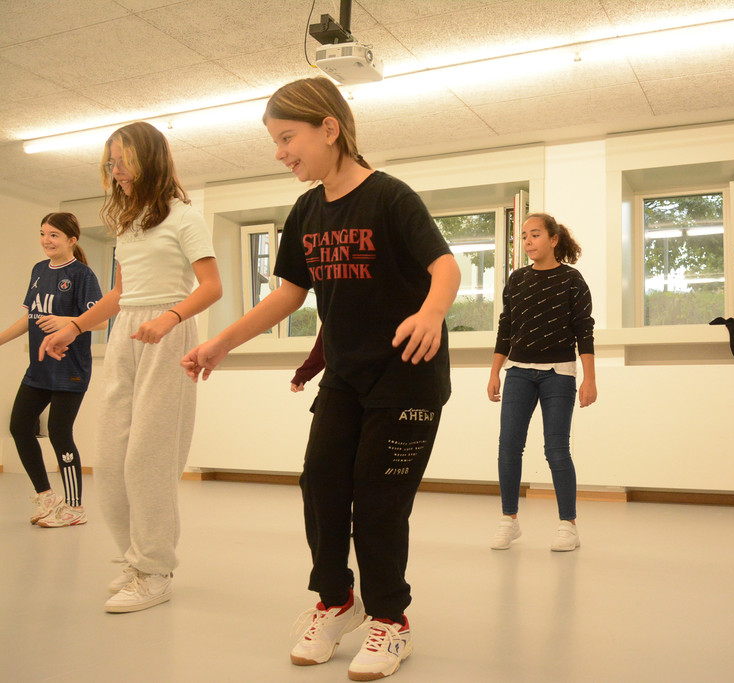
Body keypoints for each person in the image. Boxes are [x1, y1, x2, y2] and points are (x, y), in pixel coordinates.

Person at [181, 76, 460, 681]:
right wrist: (220, 343)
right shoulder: (307, 211)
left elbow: (445, 265)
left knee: (379, 502)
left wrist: (432, 312)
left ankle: (390, 619)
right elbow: (288, 295)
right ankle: (337, 601)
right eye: (275, 141)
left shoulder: (390, 197)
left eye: (287, 138)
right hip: (346, 375)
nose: (280, 152)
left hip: (407, 377)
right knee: (322, 486)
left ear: (329, 129)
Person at [39, 121, 222, 613]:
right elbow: (120, 294)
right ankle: (134, 558)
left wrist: (170, 318)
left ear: (151, 161)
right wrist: (75, 327)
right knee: (112, 455)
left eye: (123, 161)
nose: (116, 170)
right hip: (127, 332)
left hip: (168, 331)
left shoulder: (184, 217)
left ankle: (155, 569)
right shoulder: (128, 222)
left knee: (148, 457)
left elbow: (211, 286)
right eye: (111, 162)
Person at [487, 212, 597, 552]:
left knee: (556, 449)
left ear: (553, 239)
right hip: (518, 372)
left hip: (558, 374)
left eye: (534, 234)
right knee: (508, 447)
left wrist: (589, 379)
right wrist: (494, 372)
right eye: (523, 236)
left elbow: (584, 331)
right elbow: (506, 327)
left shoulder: (572, 280)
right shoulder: (517, 280)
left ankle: (568, 525)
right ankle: (509, 520)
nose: (527, 241)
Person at [1, 213, 102, 527]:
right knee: (20, 426)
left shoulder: (83, 275)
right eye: (43, 233)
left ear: (72, 240)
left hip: (70, 368)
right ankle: (46, 496)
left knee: (59, 433)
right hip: (39, 368)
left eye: (54, 235)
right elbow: (29, 317)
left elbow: (100, 321)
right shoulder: (38, 270)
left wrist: (66, 322)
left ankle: (74, 507)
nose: (46, 240)